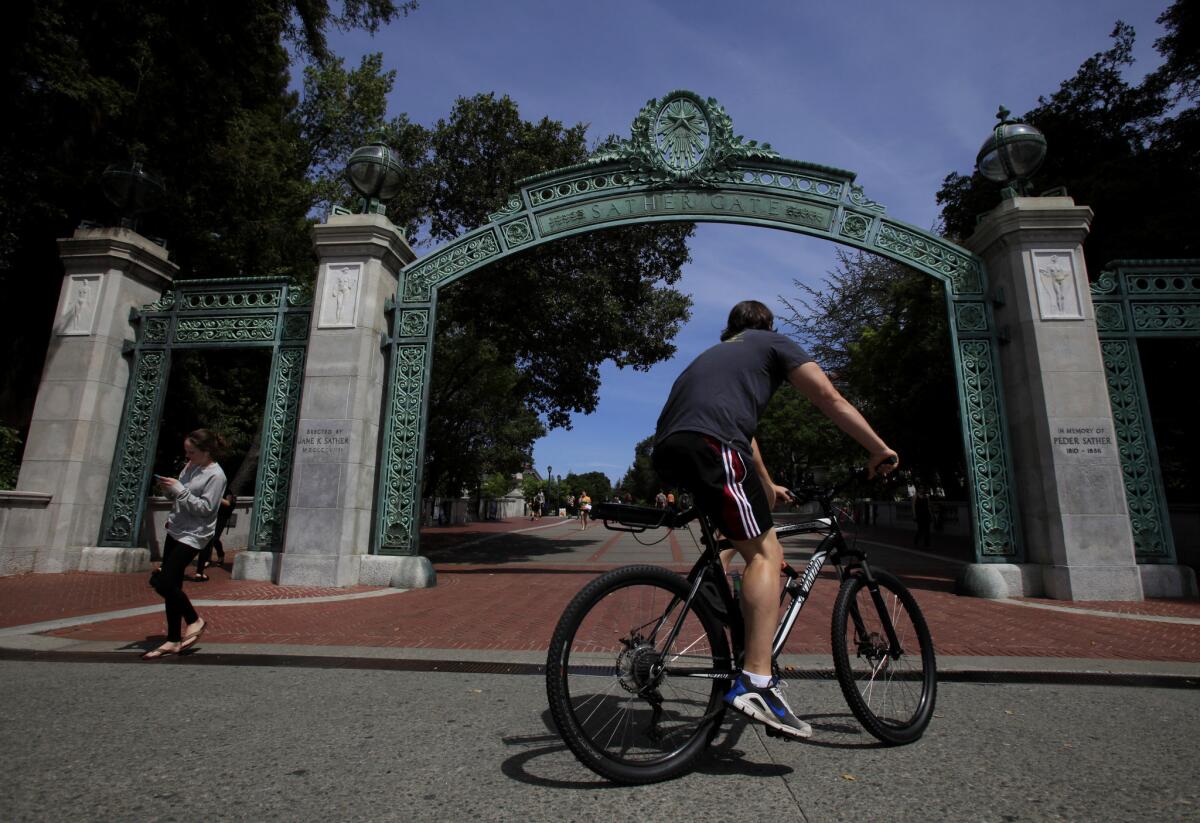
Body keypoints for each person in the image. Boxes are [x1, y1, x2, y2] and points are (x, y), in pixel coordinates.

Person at [653, 300, 897, 739]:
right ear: (768, 325)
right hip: (715, 443)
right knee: (768, 552)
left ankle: (722, 608)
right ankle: (757, 682)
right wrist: (877, 448)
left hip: (675, 445)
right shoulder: (772, 343)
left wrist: (767, 487)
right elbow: (828, 396)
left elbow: (747, 439)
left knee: (740, 542)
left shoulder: (718, 356)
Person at [143, 429, 228, 660]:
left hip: (195, 534)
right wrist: (171, 490)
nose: (187, 456)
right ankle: (172, 639)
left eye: (191, 452)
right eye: (186, 451)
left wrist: (180, 491)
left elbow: (207, 509)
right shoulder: (190, 467)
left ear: (206, 451)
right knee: (173, 586)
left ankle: (194, 620)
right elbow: (180, 497)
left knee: (164, 582)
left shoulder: (216, 475)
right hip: (176, 528)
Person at [192, 490, 236, 581]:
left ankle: (220, 555)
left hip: (222, 517)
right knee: (209, 537)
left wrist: (216, 497)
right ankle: (207, 559)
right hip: (212, 515)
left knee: (215, 538)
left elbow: (228, 503)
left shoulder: (227, 491)